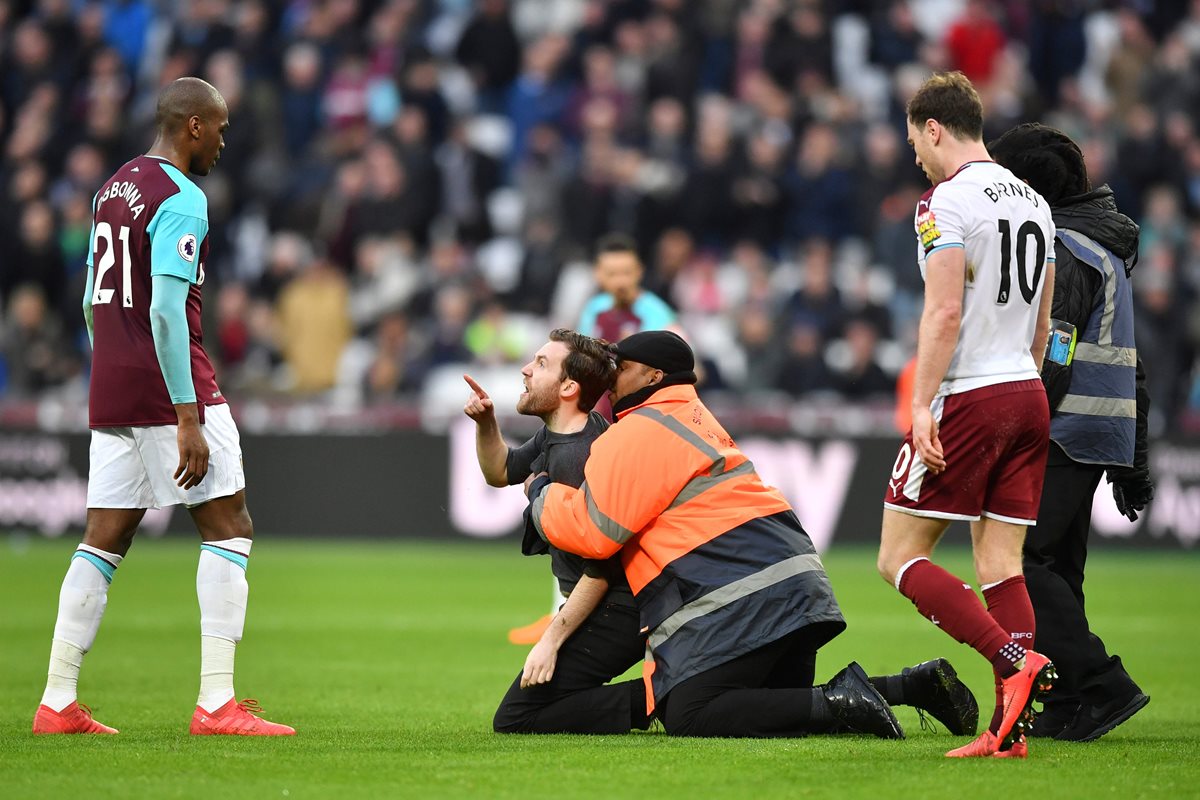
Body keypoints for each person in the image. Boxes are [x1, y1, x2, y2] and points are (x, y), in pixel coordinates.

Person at [527, 329, 980, 739]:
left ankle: (841, 700)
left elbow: (594, 533)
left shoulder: (639, 431)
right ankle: (911, 685)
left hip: (744, 594)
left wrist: (542, 492)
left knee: (690, 713)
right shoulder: (692, 417)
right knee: (774, 710)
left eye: (621, 368)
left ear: (652, 376)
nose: (611, 377)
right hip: (798, 586)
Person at [33, 77, 293, 737]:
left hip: (112, 386)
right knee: (230, 525)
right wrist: (185, 413)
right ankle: (216, 703)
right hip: (168, 388)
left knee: (105, 537)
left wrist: (110, 364)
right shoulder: (184, 198)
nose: (225, 142)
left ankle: (57, 701)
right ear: (195, 127)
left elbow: (94, 301)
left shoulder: (111, 188)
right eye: (222, 128)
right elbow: (166, 312)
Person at [875, 71, 1056, 758]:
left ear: (934, 129)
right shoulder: (1036, 202)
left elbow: (944, 309)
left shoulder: (942, 203)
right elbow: (1043, 320)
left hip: (973, 392)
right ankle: (1009, 735)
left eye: (915, 141)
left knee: (898, 556)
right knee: (1001, 564)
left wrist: (922, 403)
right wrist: (1024, 386)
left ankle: (1016, 664)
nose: (916, 156)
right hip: (1026, 390)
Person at [988, 122, 1153, 742]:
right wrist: (1135, 458)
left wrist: (1012, 426)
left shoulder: (1060, 249)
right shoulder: (1101, 247)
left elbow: (1050, 357)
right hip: (1096, 431)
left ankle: (1102, 684)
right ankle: (1067, 702)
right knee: (1058, 566)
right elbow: (1136, 368)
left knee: (1020, 560)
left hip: (1062, 428)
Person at [463, 329, 648, 734]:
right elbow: (500, 471)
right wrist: (486, 422)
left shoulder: (577, 456)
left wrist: (551, 638)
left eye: (541, 364)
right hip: (611, 604)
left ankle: (657, 696)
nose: (526, 370)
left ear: (568, 387)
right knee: (531, 707)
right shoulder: (567, 431)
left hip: (618, 608)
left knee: (517, 717)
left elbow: (601, 567)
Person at [508, 233, 681, 646]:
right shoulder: (595, 311)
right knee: (571, 518)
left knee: (591, 524)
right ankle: (560, 611)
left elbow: (682, 363)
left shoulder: (656, 313)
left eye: (626, 271)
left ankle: (587, 614)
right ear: (600, 276)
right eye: (611, 272)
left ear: (638, 273)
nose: (619, 279)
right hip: (595, 423)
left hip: (633, 431)